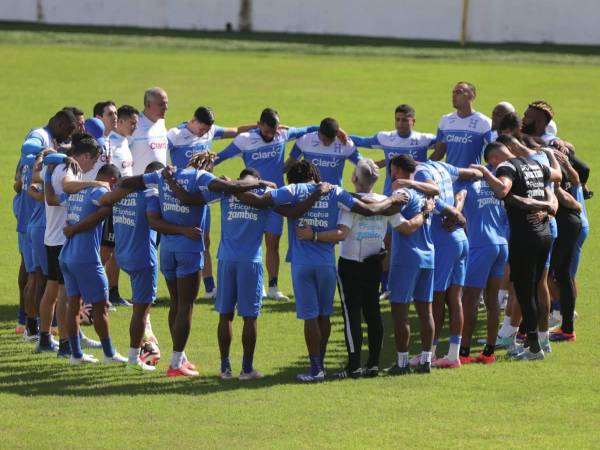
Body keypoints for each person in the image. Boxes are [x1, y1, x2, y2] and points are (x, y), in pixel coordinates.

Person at [238, 160, 407, 382]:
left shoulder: (293, 190)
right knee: (325, 315)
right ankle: (323, 364)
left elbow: (261, 201)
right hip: (327, 264)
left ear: (293, 178)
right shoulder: (335, 191)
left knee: (310, 317)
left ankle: (316, 368)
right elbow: (367, 209)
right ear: (314, 173)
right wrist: (393, 199)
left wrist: (235, 187)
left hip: (302, 265)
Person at [119, 152, 276, 377]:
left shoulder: (164, 174)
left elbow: (127, 181)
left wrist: (160, 180)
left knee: (175, 303)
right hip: (189, 249)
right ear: (207, 164)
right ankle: (176, 364)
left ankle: (180, 357)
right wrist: (259, 182)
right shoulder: (201, 179)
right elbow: (227, 189)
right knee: (186, 306)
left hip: (167, 251)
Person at [333, 159, 429, 379]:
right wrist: (424, 213)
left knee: (352, 315)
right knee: (373, 313)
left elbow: (343, 232)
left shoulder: (350, 203)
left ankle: (354, 366)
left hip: (350, 264)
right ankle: (373, 364)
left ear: (354, 178)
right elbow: (405, 227)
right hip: (374, 263)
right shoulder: (387, 203)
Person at [215, 108, 320, 301]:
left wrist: (336, 131)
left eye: (274, 131)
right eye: (267, 131)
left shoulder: (283, 134)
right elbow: (220, 157)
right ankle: (257, 285)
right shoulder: (244, 140)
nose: (271, 135)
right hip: (253, 201)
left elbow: (309, 129)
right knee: (253, 243)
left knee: (273, 243)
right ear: (259, 124)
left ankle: (272, 286)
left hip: (275, 200)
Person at [471, 141, 560, 361]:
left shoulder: (505, 168)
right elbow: (557, 175)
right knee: (538, 286)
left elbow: (502, 190)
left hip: (525, 236)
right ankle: (540, 340)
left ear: (493, 160)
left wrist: (484, 173)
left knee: (524, 291)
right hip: (545, 233)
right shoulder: (532, 163)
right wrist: (550, 155)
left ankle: (533, 348)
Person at [167, 106, 253, 299]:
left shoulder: (211, 131)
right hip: (181, 197)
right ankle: (174, 284)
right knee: (178, 240)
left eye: (207, 130)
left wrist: (261, 126)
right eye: (202, 129)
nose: (204, 133)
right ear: (193, 120)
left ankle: (209, 288)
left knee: (204, 240)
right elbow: (154, 148)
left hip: (203, 195)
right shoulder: (175, 135)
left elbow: (236, 130)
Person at [37, 134, 108, 355]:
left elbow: (48, 194)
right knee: (66, 296)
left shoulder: (56, 166)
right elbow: (67, 188)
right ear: (85, 156)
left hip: (51, 237)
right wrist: (95, 183)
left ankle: (46, 339)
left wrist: (48, 167)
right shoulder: (70, 168)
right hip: (62, 239)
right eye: (94, 161)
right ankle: (67, 344)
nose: (94, 166)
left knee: (52, 292)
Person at [414, 160, 482, 369]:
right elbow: (472, 174)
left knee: (436, 298)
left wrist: (453, 212)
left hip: (443, 241)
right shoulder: (443, 166)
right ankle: (453, 354)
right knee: (455, 299)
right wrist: (458, 204)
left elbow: (431, 194)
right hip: (461, 238)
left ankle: (431, 352)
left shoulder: (420, 173)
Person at [99, 161, 165, 372]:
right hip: (144, 258)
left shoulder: (123, 192)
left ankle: (146, 338)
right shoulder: (151, 197)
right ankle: (133, 358)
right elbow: (158, 222)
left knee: (142, 309)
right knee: (140, 311)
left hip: (124, 255)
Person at [59, 162, 128, 365]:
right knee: (101, 307)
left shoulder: (78, 191)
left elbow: (54, 199)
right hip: (86, 257)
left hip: (66, 255)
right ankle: (109, 354)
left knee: (73, 304)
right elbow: (106, 207)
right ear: (113, 181)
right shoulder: (99, 190)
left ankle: (76, 355)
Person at [385, 155, 436, 375]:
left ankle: (403, 362)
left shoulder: (402, 193)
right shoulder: (425, 193)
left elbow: (404, 226)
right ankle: (426, 360)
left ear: (395, 170)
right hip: (429, 256)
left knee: (400, 311)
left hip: (407, 259)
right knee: (426, 311)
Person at [458, 152, 510, 364]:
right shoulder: (495, 188)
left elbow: (457, 207)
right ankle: (488, 352)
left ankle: (463, 352)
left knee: (469, 300)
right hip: (501, 245)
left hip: (480, 246)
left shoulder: (466, 188)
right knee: (492, 300)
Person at [548, 153, 583, 342]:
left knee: (552, 274)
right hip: (570, 222)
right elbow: (578, 178)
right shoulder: (561, 164)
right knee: (561, 274)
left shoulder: (549, 168)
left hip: (564, 223)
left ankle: (563, 326)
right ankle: (566, 325)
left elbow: (559, 191)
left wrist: (573, 203)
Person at [284, 117, 362, 187]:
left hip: (334, 195)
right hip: (310, 195)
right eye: (324, 140)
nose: (327, 144)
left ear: (336, 135)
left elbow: (362, 164)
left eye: (331, 141)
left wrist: (372, 165)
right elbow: (289, 165)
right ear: (319, 132)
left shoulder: (345, 143)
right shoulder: (305, 139)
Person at [430, 81, 492, 168]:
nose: (454, 95)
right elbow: (438, 154)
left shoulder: (484, 122)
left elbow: (495, 153)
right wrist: (423, 167)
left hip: (471, 179)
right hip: (450, 179)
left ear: (471, 96)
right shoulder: (445, 120)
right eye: (453, 92)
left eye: (459, 92)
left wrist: (484, 172)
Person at [130, 87, 169, 175]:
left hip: (159, 183)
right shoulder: (134, 123)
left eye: (166, 103)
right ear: (148, 104)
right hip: (138, 184)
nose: (166, 108)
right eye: (161, 104)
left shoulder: (161, 122)